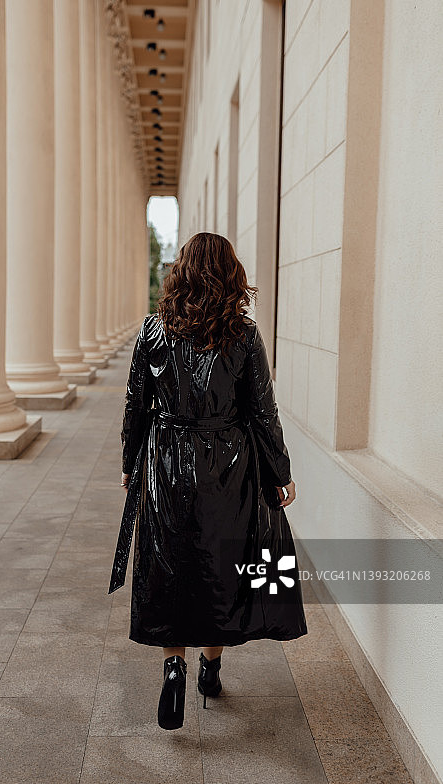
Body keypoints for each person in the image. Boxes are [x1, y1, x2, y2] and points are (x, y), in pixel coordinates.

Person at [108, 231, 308, 731]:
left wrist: (132, 461)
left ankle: (172, 663)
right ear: (230, 274)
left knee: (172, 563)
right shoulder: (242, 334)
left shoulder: (153, 331)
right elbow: (263, 411)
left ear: (181, 271)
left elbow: (136, 404)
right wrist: (280, 472)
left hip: (167, 459)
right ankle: (210, 668)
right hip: (229, 465)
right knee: (223, 568)